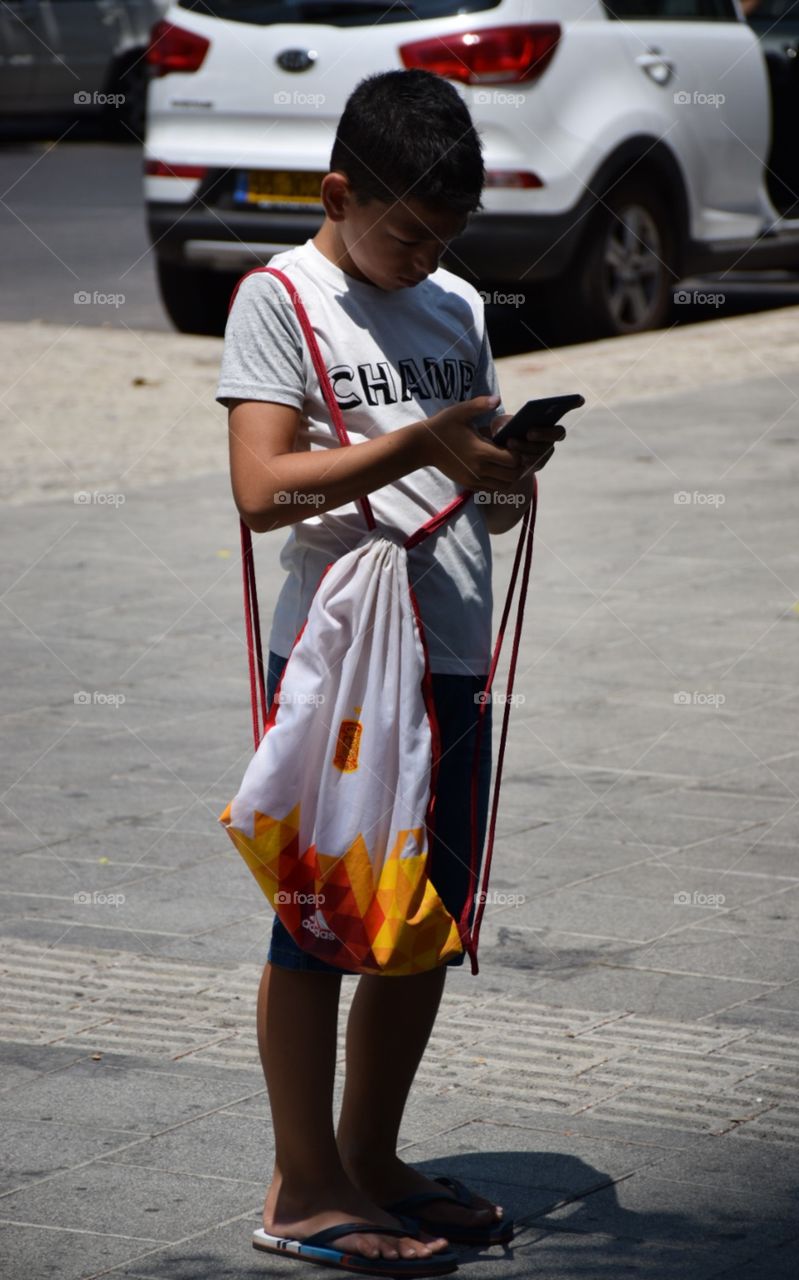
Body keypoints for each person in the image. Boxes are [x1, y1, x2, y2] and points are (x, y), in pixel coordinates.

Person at [216, 69, 564, 1276]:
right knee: (324, 914)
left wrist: (506, 469)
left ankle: (372, 1156)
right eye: (406, 231)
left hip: (451, 651)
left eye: (445, 238)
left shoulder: (457, 303)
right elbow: (262, 492)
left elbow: (482, 496)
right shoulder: (281, 297)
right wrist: (418, 439)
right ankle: (300, 1181)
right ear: (337, 193)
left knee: (424, 918)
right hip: (338, 664)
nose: (423, 257)